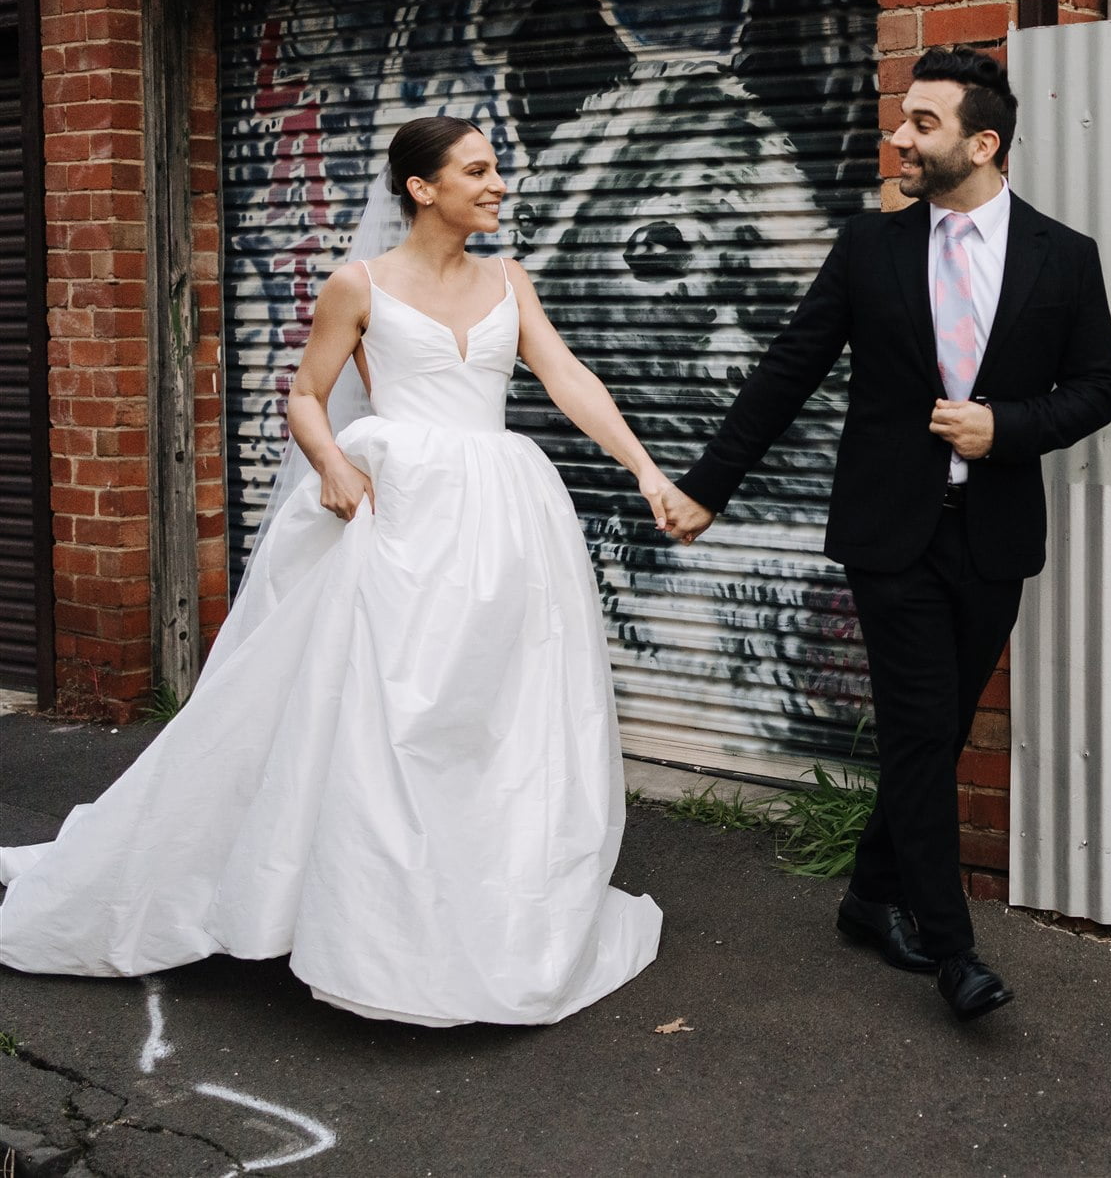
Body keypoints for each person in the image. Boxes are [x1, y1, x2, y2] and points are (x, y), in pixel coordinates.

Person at [0, 116, 688, 1026]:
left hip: (504, 512)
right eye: (477, 170)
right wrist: (330, 462)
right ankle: (374, 920)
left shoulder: (508, 280)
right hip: (397, 512)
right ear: (422, 188)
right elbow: (306, 395)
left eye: (495, 169)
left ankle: (483, 892)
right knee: (388, 711)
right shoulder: (358, 285)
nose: (497, 184)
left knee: (499, 707)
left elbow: (567, 378)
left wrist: (647, 471)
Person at [667, 45, 1111, 1021]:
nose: (899, 137)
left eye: (922, 123)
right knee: (919, 730)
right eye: (901, 119)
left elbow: (1097, 388)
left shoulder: (1062, 256)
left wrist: (1005, 427)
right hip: (889, 533)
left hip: (992, 537)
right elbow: (786, 370)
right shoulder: (868, 247)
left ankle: (869, 895)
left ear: (982, 143)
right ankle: (953, 948)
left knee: (937, 733)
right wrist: (709, 487)